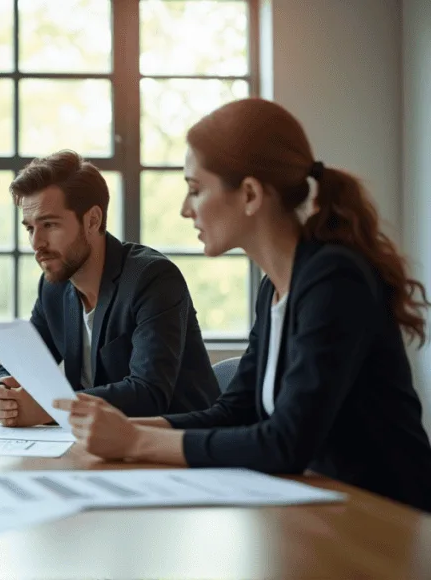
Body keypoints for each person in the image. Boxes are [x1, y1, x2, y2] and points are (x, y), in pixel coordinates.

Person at [54, 98, 431, 513]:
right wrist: (127, 427)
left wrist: (136, 441)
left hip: (388, 522)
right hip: (326, 510)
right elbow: (238, 410)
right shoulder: (274, 286)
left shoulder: (334, 279)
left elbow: (285, 443)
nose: (184, 209)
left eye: (195, 190)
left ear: (250, 194)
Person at [0, 150, 219, 427]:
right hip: (98, 445)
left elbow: (149, 393)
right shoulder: (54, 288)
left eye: (49, 224)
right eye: (30, 228)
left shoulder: (153, 279)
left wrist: (52, 408)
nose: (36, 243)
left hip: (176, 448)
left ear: (92, 220)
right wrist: (0, 393)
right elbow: (19, 365)